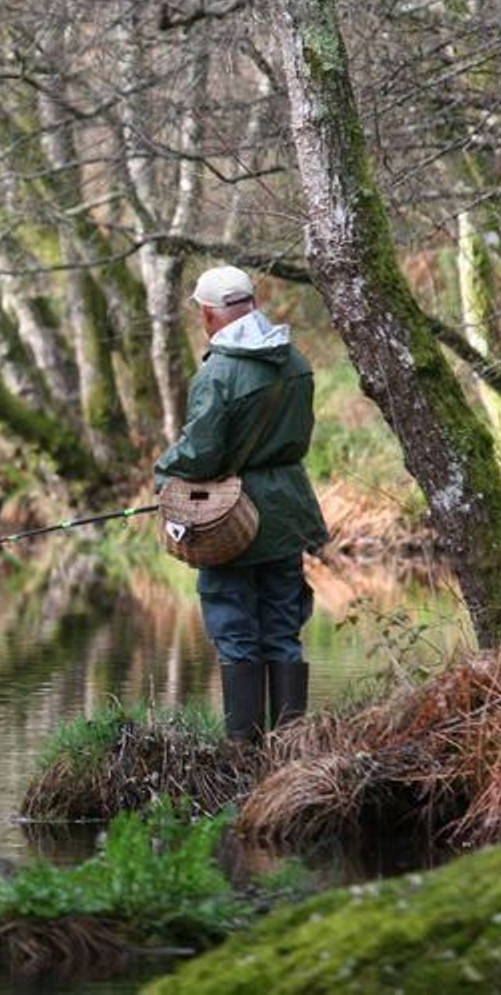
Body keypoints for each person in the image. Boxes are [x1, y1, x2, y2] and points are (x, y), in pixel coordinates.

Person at [155, 265, 329, 742]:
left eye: (202, 314)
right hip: (288, 508)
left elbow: (201, 452)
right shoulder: (294, 359)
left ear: (211, 314)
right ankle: (291, 746)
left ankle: (243, 753)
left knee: (234, 628)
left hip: (232, 520)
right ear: (250, 304)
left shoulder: (218, 373)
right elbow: (300, 435)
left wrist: (165, 475)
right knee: (282, 628)